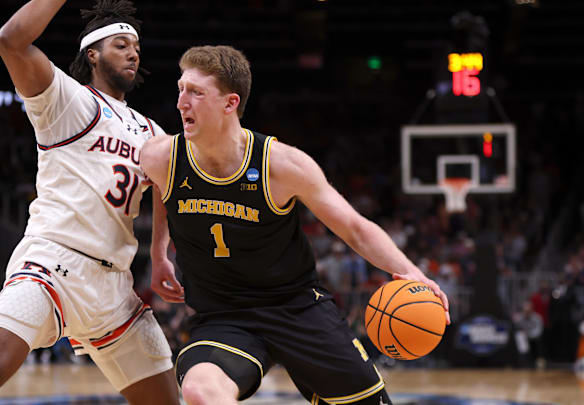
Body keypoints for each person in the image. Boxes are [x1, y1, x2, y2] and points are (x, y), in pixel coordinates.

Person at [140, 45, 451, 405]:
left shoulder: (282, 165)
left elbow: (354, 227)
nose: (181, 102)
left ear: (229, 103)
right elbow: (162, 189)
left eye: (195, 92)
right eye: (180, 89)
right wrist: (158, 252)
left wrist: (412, 271)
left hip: (297, 308)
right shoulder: (161, 156)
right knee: (199, 391)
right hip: (224, 316)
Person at [0, 1, 179, 404]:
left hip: (115, 287)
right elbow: (10, 41)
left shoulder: (152, 131)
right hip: (53, 264)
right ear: (92, 53)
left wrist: (162, 255)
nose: (133, 53)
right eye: (120, 44)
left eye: (136, 47)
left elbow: (166, 186)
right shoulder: (67, 100)